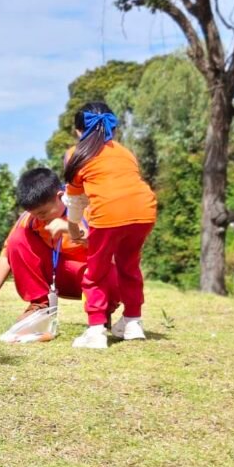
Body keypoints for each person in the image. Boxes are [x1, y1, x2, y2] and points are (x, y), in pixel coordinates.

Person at [60, 102, 157, 349]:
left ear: (78, 131)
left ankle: (96, 330)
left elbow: (75, 200)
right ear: (112, 128)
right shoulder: (126, 152)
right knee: (129, 265)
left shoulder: (75, 154)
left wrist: (73, 228)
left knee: (96, 271)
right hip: (144, 211)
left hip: (107, 215)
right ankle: (133, 322)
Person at [0, 167, 119, 325]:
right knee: (17, 238)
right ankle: (39, 306)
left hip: (92, 278)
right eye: (34, 214)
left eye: (43, 213)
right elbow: (7, 256)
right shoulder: (31, 219)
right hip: (57, 277)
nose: (39, 219)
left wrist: (70, 229)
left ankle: (102, 312)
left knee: (113, 265)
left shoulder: (88, 207)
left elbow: (112, 250)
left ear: (60, 197)